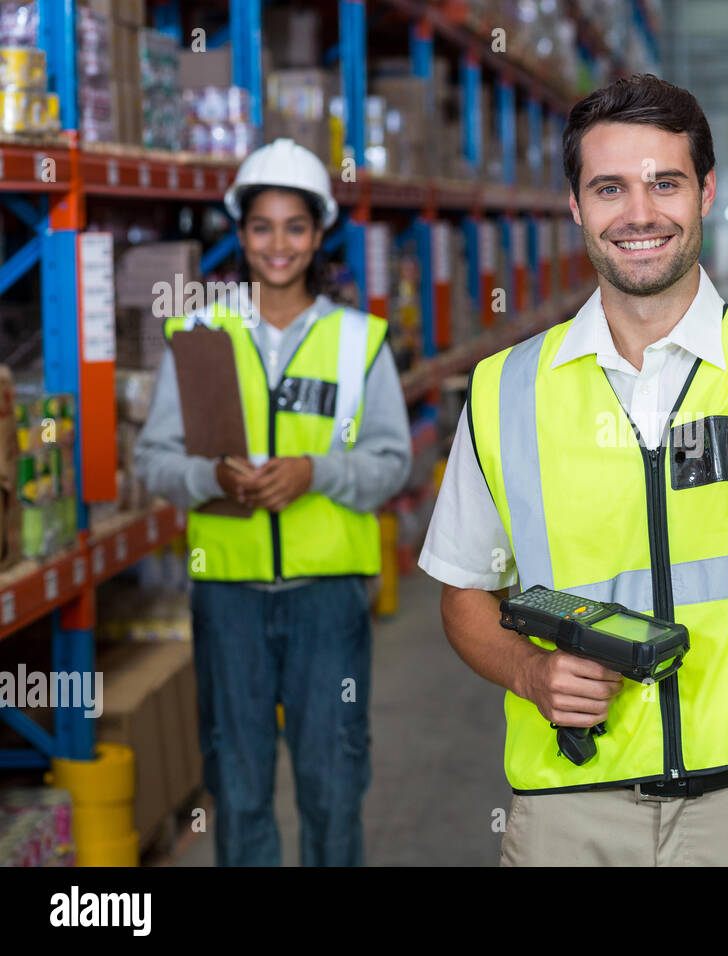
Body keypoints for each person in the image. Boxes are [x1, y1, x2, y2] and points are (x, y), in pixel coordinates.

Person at [421, 74, 728, 866]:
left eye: (664, 183)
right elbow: (464, 589)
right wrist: (530, 673)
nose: (639, 214)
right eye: (609, 188)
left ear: (705, 193)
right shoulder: (504, 391)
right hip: (571, 813)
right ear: (575, 205)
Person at [135, 138, 412, 866]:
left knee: (332, 783)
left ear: (318, 233)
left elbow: (391, 462)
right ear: (241, 233)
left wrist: (314, 472)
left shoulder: (359, 342)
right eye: (262, 227)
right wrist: (212, 481)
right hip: (228, 599)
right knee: (240, 784)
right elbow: (154, 461)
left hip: (329, 601)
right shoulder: (198, 336)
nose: (278, 244)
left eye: (295, 227)